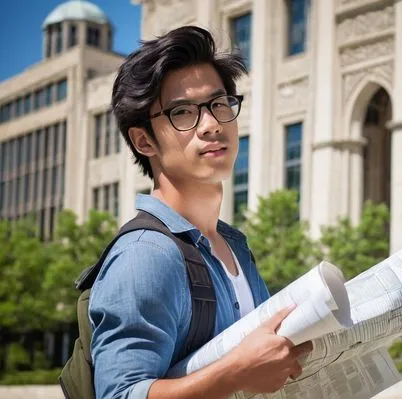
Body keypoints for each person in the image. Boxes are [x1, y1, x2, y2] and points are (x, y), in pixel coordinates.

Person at [89, 25, 313, 399]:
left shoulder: (234, 245)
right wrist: (236, 372)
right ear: (144, 140)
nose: (211, 125)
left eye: (219, 103)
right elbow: (118, 394)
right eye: (182, 112)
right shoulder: (145, 254)